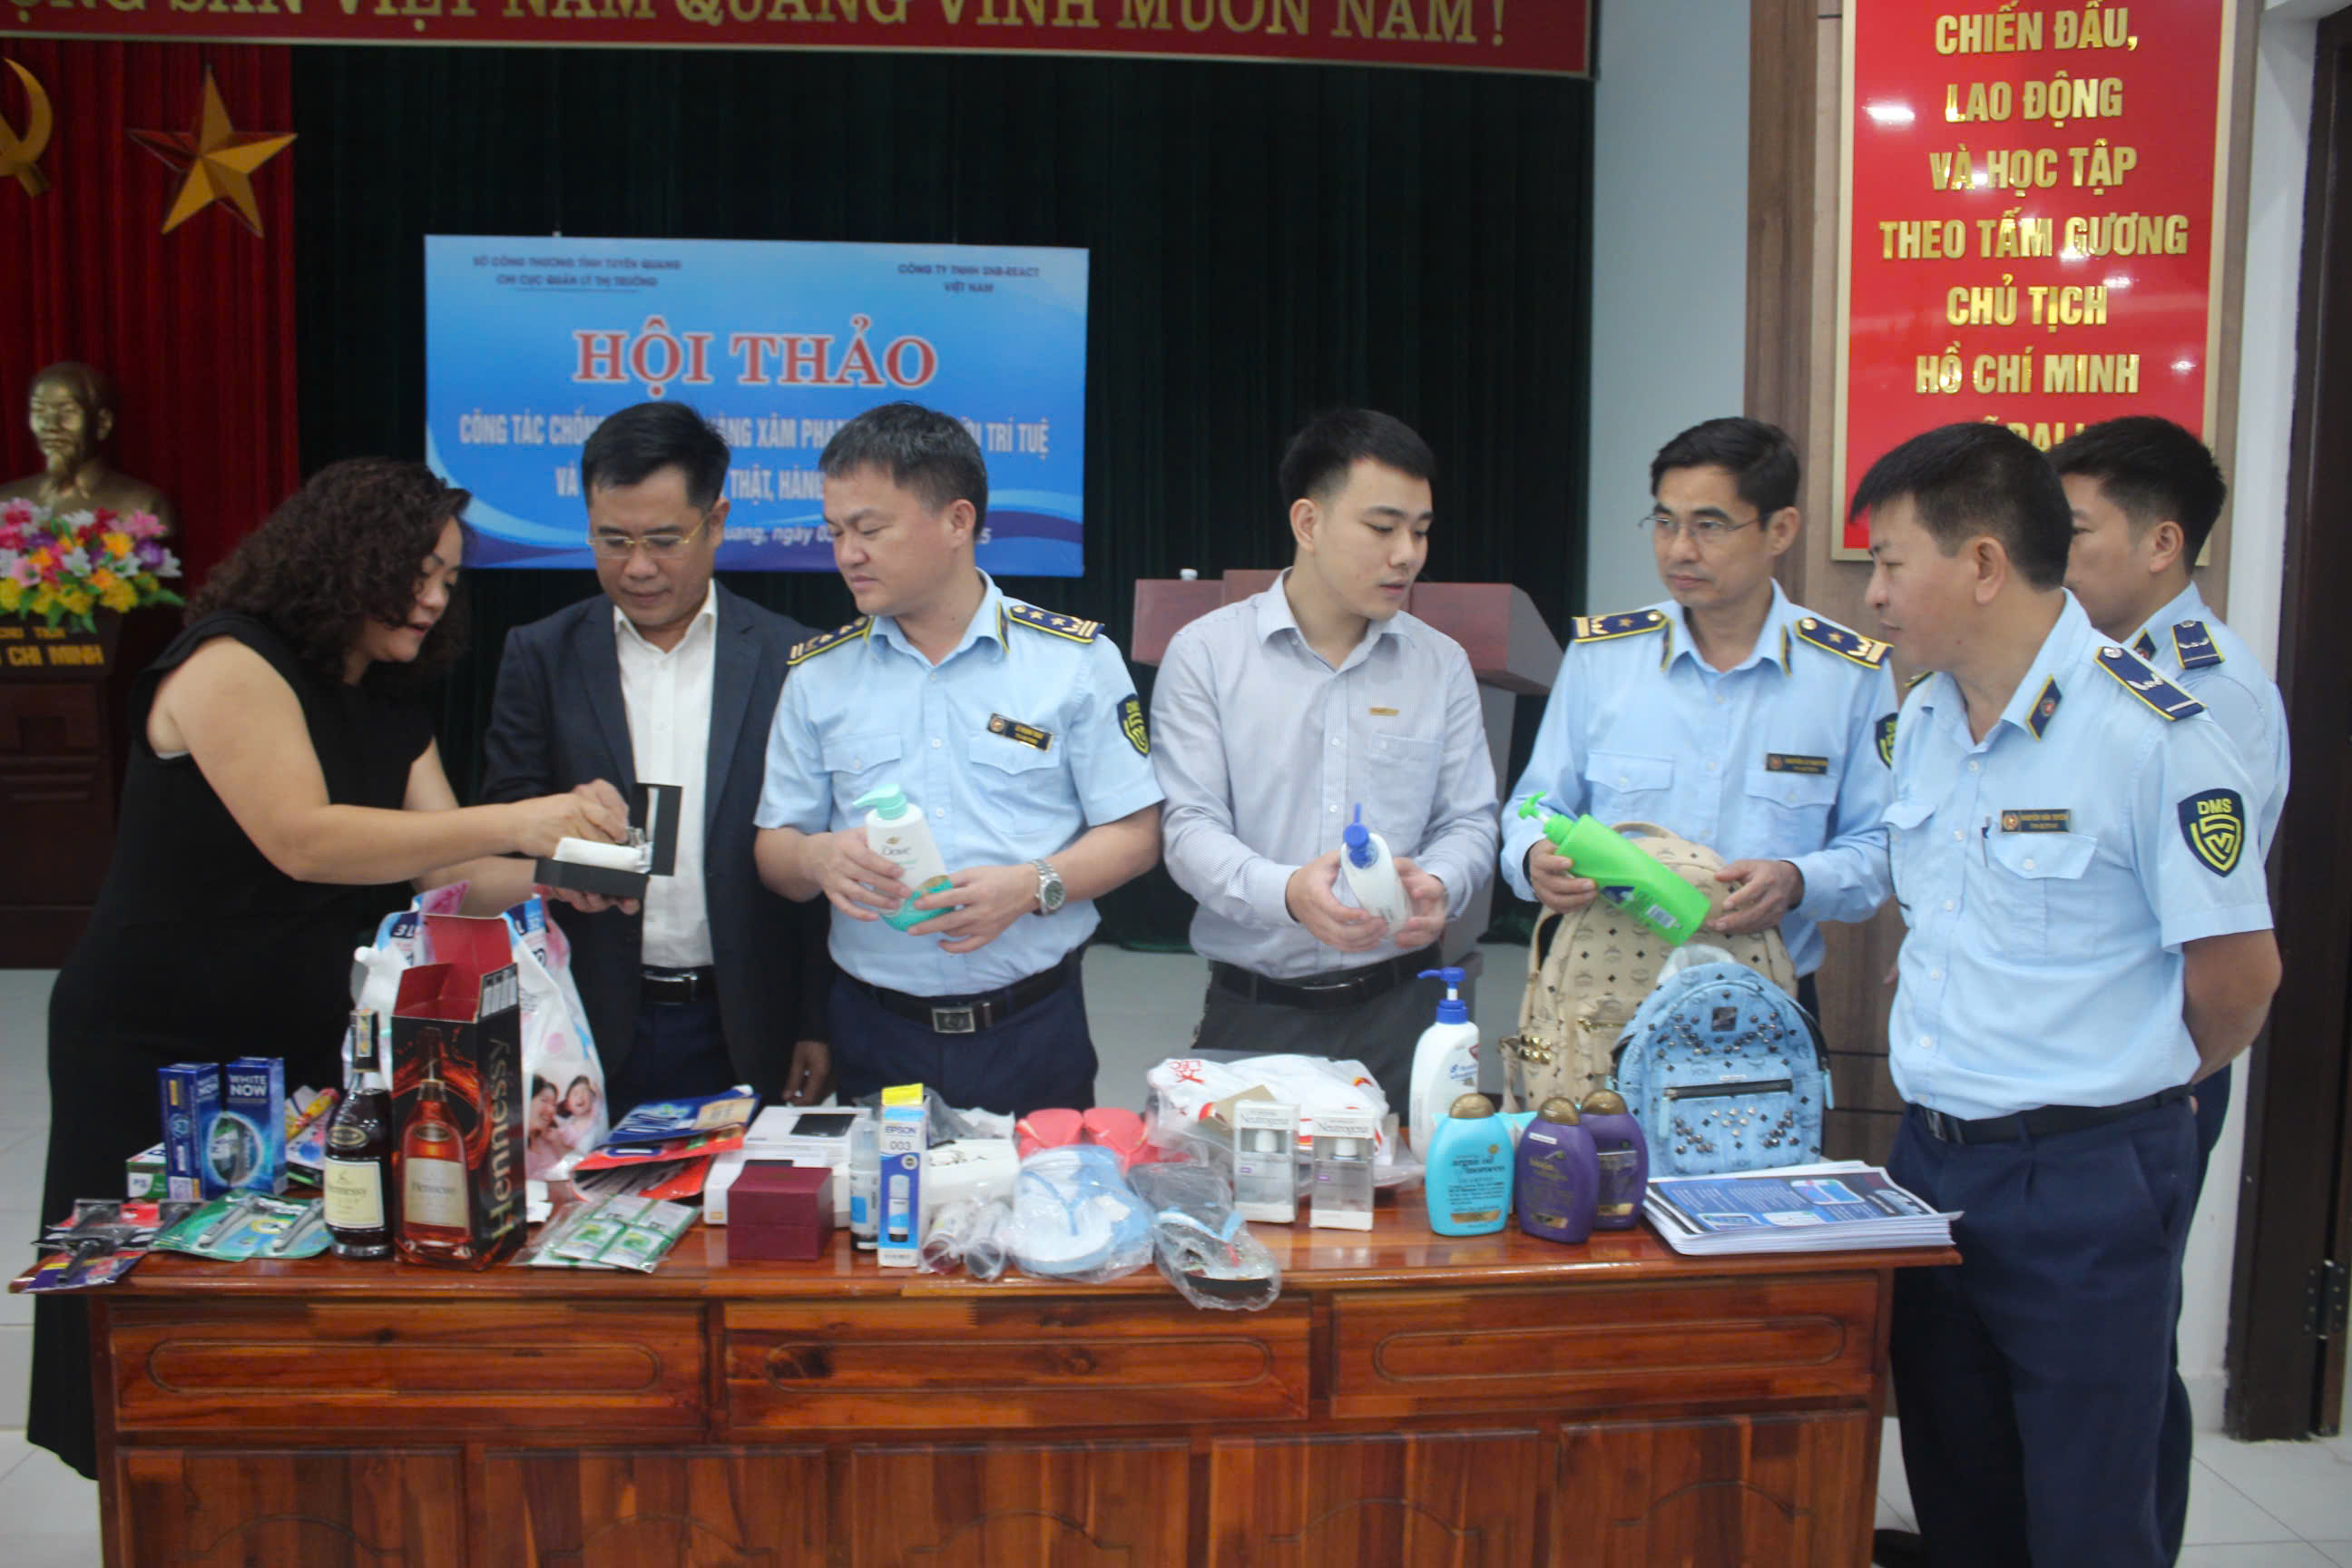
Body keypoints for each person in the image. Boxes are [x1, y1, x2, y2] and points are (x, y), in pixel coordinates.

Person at [32, 458, 629, 1478]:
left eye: (450, 579)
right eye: (417, 573)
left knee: (288, 1305)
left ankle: (273, 1505)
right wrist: (520, 817)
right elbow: (303, 840)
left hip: (303, 1041)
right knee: (151, 1317)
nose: (435, 597)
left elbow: (443, 869)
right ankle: (157, 1510)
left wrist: (561, 872)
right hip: (157, 1041)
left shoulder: (388, 698)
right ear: (348, 561)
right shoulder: (231, 661)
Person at [1857, 422, 2278, 1567]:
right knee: (1962, 1503)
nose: (1876, 593)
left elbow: (2239, 982)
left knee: (2090, 1522)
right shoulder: (1924, 718)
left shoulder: (2152, 735)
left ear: (1984, 564)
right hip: (1930, 1168)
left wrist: (2127, 1089)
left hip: (2084, 1182)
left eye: (1892, 563)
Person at [752, 402, 1163, 1116]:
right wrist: (816, 858)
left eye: (869, 529)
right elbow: (773, 851)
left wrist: (1031, 886)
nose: (847, 554)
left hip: (1033, 1026)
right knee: (887, 1194)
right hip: (877, 1029)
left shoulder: (1073, 663)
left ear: (957, 521)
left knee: (1045, 1191)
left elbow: (1136, 835)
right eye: (836, 531)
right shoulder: (819, 676)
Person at [2050, 413, 2291, 1563]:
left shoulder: (2208, 691)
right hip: (2089, 1059)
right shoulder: (2078, 666)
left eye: (2074, 529)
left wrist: (2171, 1074)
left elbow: (2221, 944)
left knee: (2129, 1348)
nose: (2052, 552)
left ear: (2162, 543)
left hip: (2158, 1066)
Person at [481, 401, 834, 1114]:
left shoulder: (793, 657)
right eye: (613, 540)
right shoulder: (541, 655)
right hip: (582, 1021)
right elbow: (504, 825)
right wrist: (565, 863)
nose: (637, 567)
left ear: (717, 521)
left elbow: (815, 857)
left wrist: (816, 1021)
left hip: (747, 1021)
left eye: (664, 541)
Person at [1151, 409, 1497, 1112]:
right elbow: (1187, 828)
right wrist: (1288, 894)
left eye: (1421, 531)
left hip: (1405, 1012)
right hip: (1257, 1013)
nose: (1407, 554)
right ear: (1307, 523)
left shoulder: (1440, 664)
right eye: (1383, 527)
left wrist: (1440, 882)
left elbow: (1470, 820)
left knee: (1413, 1185)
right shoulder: (1208, 654)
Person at [1498, 417, 1896, 1018]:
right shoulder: (1604, 657)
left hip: (1766, 998)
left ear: (1780, 530)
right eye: (1665, 523)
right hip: (1607, 996)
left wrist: (1797, 879)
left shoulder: (1847, 675)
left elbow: (1880, 847)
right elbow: (1536, 805)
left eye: (1709, 526)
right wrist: (1534, 858)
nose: (1680, 549)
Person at [0, 361, 176, 535]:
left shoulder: (142, 507)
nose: (51, 425)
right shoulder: (5, 502)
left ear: (102, 423)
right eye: (39, 411)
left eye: (68, 412)